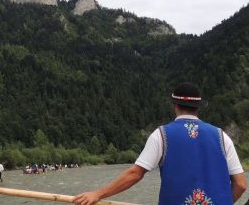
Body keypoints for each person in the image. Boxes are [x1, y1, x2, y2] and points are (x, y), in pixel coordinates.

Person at [73, 82, 247, 205]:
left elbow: (135, 174)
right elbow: (240, 184)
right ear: (198, 107)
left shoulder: (162, 135)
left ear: (175, 105)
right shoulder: (222, 136)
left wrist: (98, 194)